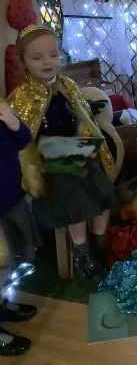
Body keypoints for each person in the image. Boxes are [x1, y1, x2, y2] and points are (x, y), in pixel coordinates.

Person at [8, 25, 117, 281]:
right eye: (37, 57)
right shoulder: (21, 97)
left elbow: (84, 118)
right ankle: (82, 251)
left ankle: (100, 242)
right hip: (46, 164)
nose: (47, 62)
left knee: (102, 188)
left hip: (74, 152)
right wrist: (49, 147)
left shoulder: (68, 85)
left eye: (53, 54)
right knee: (73, 195)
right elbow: (22, 142)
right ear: (23, 61)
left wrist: (84, 139)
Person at [0, 101, 38, 356]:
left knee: (10, 260)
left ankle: (1, 304)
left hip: (11, 198)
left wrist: (12, 121)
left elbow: (23, 140)